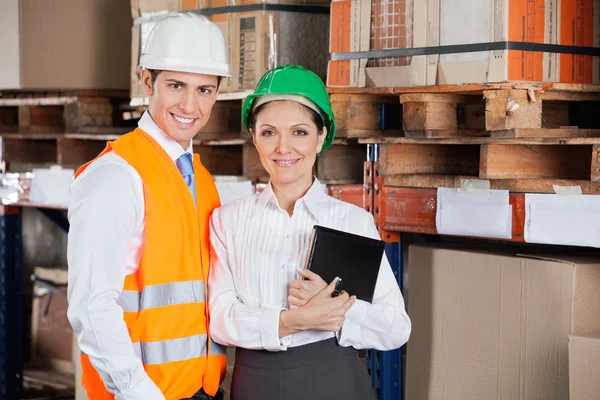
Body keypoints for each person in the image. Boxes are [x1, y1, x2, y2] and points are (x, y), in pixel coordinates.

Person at [208, 65, 411, 400]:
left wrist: (337, 307)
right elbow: (220, 320)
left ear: (321, 137)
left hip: (335, 383)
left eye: (299, 132)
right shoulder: (228, 221)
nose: (283, 148)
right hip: (255, 386)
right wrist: (297, 320)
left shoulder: (352, 222)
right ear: (254, 137)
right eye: (269, 132)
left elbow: (395, 328)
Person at [67, 13, 230, 400]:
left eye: (204, 90)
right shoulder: (115, 176)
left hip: (201, 389)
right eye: (176, 85)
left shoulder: (202, 181)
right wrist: (138, 392)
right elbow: (92, 306)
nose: (190, 105)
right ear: (146, 81)